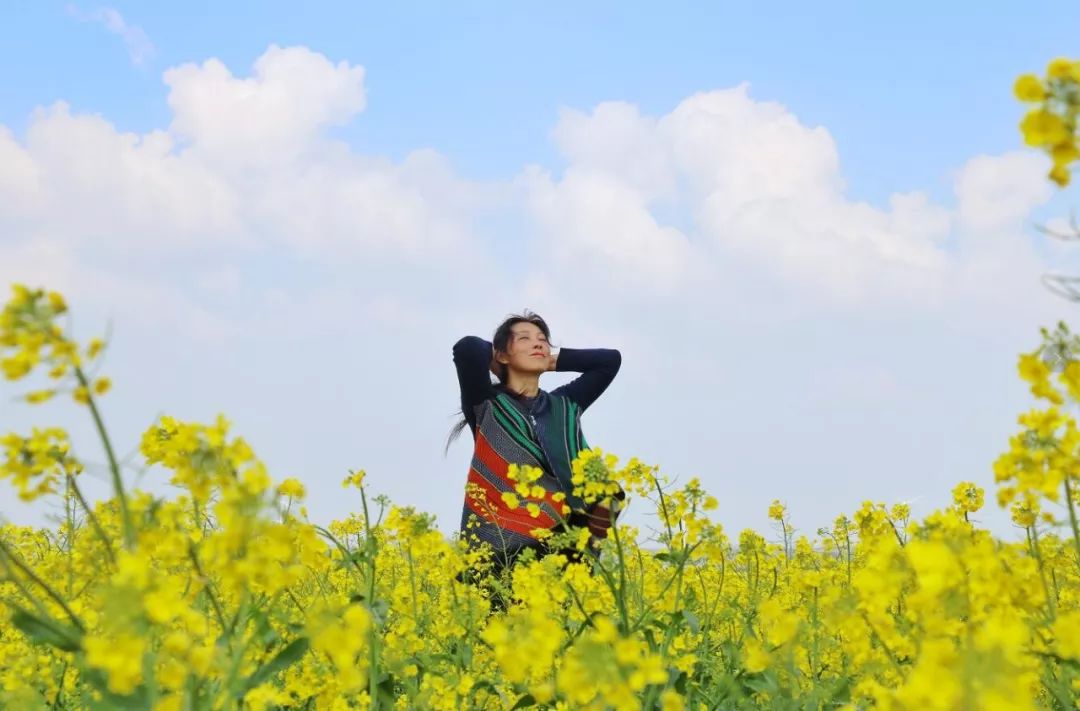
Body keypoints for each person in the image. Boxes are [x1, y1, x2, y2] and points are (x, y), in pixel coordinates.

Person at [449, 311, 623, 578]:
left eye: (543, 340)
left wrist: (551, 362)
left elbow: (609, 361)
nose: (539, 344)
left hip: (558, 544)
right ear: (501, 354)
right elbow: (468, 348)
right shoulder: (486, 404)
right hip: (497, 549)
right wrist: (498, 365)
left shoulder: (564, 404)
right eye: (525, 339)